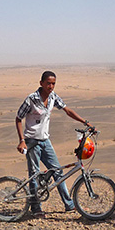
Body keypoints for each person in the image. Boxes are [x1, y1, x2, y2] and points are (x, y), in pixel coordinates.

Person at [16, 71, 91, 217]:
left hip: (45, 140)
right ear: (41, 83)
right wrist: (22, 141)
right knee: (34, 174)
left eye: (53, 83)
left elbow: (67, 110)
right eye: (48, 83)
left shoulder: (53, 97)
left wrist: (85, 122)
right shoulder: (31, 99)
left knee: (57, 171)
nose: (51, 86)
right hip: (32, 141)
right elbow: (18, 118)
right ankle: (36, 208)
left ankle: (69, 204)